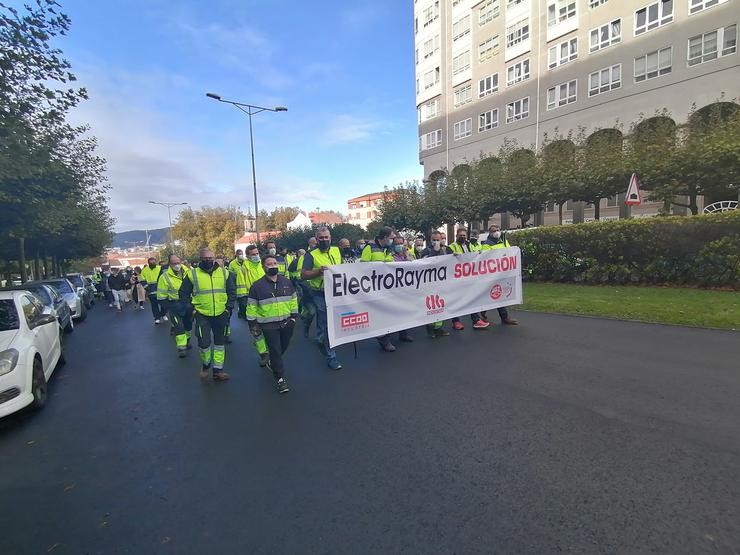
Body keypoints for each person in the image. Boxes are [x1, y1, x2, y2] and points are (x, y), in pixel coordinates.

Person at [178, 248, 236, 381]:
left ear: (214, 258)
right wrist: (191, 309)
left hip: (221, 313)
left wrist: (228, 308)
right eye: (205, 258)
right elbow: (183, 294)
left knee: (220, 343)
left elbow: (232, 292)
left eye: (210, 258)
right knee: (204, 343)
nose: (208, 260)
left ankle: (218, 370)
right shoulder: (192, 274)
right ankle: (206, 365)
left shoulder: (224, 272)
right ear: (200, 259)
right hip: (201, 314)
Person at [247, 255, 299, 394]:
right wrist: (252, 324)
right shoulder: (257, 286)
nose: (272, 266)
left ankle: (273, 362)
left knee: (283, 348)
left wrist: (294, 318)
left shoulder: (287, 282)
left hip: (287, 322)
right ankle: (280, 379)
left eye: (274, 263)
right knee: (275, 350)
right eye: (269, 264)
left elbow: (294, 300)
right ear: (264, 267)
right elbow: (251, 306)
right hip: (268, 325)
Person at [301, 227, 343, 370]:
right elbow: (304, 275)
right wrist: (318, 272)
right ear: (316, 239)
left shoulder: (337, 250)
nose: (324, 240)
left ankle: (320, 338)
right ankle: (331, 357)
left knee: (333, 323)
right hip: (319, 293)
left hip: (336, 292)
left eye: (327, 237)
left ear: (330, 237)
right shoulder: (310, 255)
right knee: (326, 324)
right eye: (321, 238)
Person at [360, 226, 400, 352]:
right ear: (385, 237)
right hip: (373, 286)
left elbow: (391, 262)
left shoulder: (387, 249)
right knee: (379, 313)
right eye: (391, 238)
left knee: (388, 311)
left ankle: (386, 337)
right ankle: (384, 340)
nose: (393, 240)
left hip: (386, 286)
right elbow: (362, 265)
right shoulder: (369, 248)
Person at [448, 228, 490, 330]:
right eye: (460, 235)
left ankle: (476, 320)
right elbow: (448, 260)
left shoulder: (469, 245)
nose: (462, 237)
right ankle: (456, 321)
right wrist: (452, 256)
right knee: (456, 300)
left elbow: (474, 256)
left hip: (469, 276)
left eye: (464, 235)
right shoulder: (451, 247)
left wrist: (479, 254)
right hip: (456, 278)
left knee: (471, 298)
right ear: (456, 236)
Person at [479, 224, 519, 326]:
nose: (496, 232)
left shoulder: (504, 241)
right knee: (497, 295)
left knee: (495, 295)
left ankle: (483, 312)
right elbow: (487, 259)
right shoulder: (487, 245)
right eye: (494, 231)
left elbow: (510, 252)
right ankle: (504, 317)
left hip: (503, 273)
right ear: (490, 233)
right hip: (492, 274)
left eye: (497, 230)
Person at [157, 254, 193, 357]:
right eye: (174, 263)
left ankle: (187, 341)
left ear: (181, 261)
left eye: (178, 263)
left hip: (188, 303)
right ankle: (181, 348)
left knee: (188, 325)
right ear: (170, 264)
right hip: (174, 304)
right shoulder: (164, 277)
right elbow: (161, 297)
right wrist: (170, 307)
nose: (177, 265)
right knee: (179, 326)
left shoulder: (189, 272)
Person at [420, 231, 452, 338]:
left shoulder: (446, 249)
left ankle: (439, 328)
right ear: (430, 240)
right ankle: (430, 329)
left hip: (442, 282)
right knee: (431, 307)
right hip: (429, 283)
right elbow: (423, 263)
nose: (436, 242)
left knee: (441, 305)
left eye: (438, 240)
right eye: (434, 240)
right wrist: (434, 251)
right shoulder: (426, 251)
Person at [243, 245, 269, 366]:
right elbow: (242, 288)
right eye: (253, 254)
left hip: (268, 303)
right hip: (253, 303)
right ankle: (263, 354)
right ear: (247, 256)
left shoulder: (263, 265)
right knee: (256, 331)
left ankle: (271, 350)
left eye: (257, 253)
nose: (256, 256)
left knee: (270, 329)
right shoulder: (244, 268)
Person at [139, 257, 165, 323]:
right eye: (151, 263)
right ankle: (157, 318)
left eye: (154, 262)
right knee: (154, 305)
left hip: (161, 290)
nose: (153, 264)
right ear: (148, 263)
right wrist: (148, 288)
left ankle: (163, 314)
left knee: (164, 305)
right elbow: (142, 280)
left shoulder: (160, 268)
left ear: (156, 262)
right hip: (151, 291)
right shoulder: (144, 270)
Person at [228, 250, 249, 320]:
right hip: (238, 287)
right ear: (236, 255)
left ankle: (242, 314)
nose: (241, 255)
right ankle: (242, 314)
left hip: (247, 286)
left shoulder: (246, 262)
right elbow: (230, 275)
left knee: (247, 303)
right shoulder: (232, 264)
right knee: (242, 303)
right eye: (239, 254)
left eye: (242, 254)